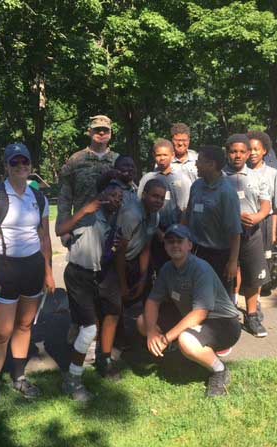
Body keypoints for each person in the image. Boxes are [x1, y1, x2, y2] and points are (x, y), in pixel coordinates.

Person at [0, 143, 55, 422]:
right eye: (15, 162)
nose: (21, 166)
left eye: (25, 161)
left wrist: (48, 271)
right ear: (7, 166)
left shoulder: (39, 198)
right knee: (1, 332)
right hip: (5, 269)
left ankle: (19, 377)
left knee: (24, 325)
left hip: (33, 267)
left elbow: (44, 237)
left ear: (31, 165)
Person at [137, 224, 242, 397]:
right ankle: (176, 357)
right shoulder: (167, 269)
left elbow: (200, 313)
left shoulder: (200, 269)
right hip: (192, 317)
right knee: (143, 321)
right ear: (165, 246)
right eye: (170, 242)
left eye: (180, 241)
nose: (175, 245)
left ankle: (220, 371)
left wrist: (165, 338)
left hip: (223, 323)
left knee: (186, 340)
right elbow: (153, 301)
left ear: (189, 245)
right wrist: (150, 332)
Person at [56, 180, 123, 401]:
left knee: (94, 324)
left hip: (95, 276)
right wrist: (83, 211)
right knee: (88, 329)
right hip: (78, 275)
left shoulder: (113, 218)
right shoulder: (89, 214)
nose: (116, 199)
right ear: (102, 195)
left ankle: (88, 366)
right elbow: (60, 230)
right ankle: (72, 381)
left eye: (119, 197)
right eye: (112, 195)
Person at [98, 179, 165, 376]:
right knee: (113, 308)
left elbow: (145, 245)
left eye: (161, 198)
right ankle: (105, 356)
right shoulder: (131, 214)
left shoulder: (155, 216)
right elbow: (120, 251)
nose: (158, 201)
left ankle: (136, 343)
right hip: (115, 262)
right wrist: (123, 283)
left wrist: (143, 277)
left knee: (142, 301)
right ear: (144, 194)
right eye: (154, 196)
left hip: (135, 260)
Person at [224, 134, 271, 337]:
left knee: (253, 276)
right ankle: (227, 315)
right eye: (234, 151)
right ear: (227, 153)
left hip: (251, 233)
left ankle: (251, 316)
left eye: (242, 152)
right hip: (225, 236)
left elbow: (266, 203)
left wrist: (258, 216)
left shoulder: (257, 176)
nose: (238, 155)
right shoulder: (219, 177)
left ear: (248, 153)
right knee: (226, 275)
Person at [183, 145, 242, 296]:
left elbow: (235, 231)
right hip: (196, 252)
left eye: (200, 161)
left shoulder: (227, 193)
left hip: (219, 256)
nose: (196, 164)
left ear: (212, 164)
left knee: (220, 299)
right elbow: (187, 214)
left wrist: (233, 262)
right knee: (197, 295)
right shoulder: (196, 185)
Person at [56, 115, 119, 244]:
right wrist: (65, 232)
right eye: (97, 129)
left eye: (105, 130)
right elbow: (65, 198)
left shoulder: (118, 161)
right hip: (82, 230)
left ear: (111, 133)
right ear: (89, 132)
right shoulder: (76, 160)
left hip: (112, 229)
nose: (101, 132)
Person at [137, 139, 191, 271]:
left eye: (165, 155)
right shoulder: (147, 178)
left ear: (172, 155)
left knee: (176, 267)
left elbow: (186, 209)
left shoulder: (182, 179)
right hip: (153, 231)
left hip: (176, 232)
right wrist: (157, 231)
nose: (161, 158)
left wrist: (177, 232)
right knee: (155, 268)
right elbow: (141, 206)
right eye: (158, 155)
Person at [247, 131, 277, 297]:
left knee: (262, 262)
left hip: (265, 222)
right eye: (250, 149)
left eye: (257, 149)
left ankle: (257, 297)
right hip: (246, 220)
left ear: (264, 151)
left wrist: (274, 232)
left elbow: (276, 207)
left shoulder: (272, 174)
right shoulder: (241, 172)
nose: (253, 152)